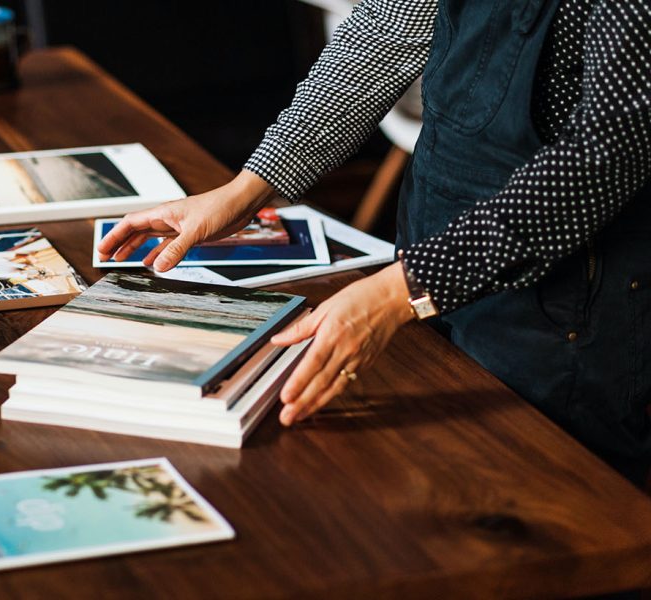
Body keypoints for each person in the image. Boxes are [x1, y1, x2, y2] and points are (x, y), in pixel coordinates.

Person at [98, 1, 651, 486]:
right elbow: (388, 30)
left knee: (554, 512)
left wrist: (400, 291)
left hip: (569, 308)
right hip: (426, 257)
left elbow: (604, 157)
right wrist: (249, 187)